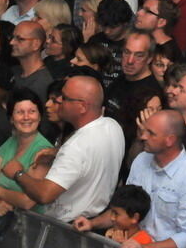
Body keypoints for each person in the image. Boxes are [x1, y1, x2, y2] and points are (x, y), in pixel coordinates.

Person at [76, 109, 186, 248]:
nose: (143, 136)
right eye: (144, 131)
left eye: (151, 133)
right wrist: (91, 223)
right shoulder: (141, 160)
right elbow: (124, 209)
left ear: (170, 140)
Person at [11, 74, 124, 222]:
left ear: (82, 106)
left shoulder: (76, 147)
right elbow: (90, 155)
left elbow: (44, 194)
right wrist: (57, 153)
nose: (59, 101)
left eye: (64, 98)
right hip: (92, 220)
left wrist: (17, 173)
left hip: (68, 230)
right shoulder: (112, 126)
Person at [0, 89, 54, 216]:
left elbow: (28, 201)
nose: (26, 117)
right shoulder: (11, 141)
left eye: (32, 111)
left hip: (32, 227)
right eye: (20, 112)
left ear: (39, 116)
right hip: (5, 223)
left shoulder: (44, 151)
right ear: (11, 119)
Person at [102, 184, 155, 248]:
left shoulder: (144, 240)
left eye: (116, 213)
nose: (112, 218)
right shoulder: (111, 232)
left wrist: (117, 246)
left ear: (134, 218)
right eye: (111, 212)